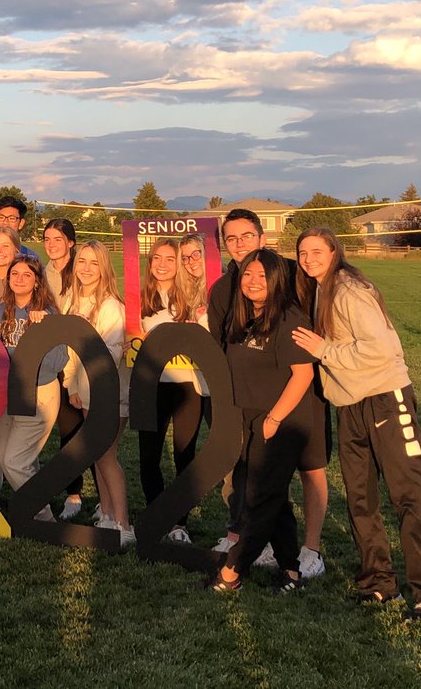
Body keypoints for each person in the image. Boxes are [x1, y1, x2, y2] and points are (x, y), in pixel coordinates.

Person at [292, 227, 421, 623]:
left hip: (385, 398)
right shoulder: (318, 289)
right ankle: (378, 582)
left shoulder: (349, 289)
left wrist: (323, 349)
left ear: (334, 252)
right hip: (350, 404)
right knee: (361, 499)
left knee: (410, 496)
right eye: (302, 252)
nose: (308, 258)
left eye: (316, 251)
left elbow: (380, 347)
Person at [208, 208, 329, 578]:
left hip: (298, 394)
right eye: (231, 238)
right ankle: (255, 542)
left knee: (309, 471)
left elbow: (313, 339)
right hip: (251, 399)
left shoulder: (294, 275)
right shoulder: (225, 288)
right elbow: (219, 347)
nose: (240, 244)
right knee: (251, 477)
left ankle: (310, 550)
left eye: (247, 236)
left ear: (262, 237)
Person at [0, 256, 81, 522]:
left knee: (14, 461)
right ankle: (31, 510)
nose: (19, 279)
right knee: (15, 458)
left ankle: (42, 514)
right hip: (7, 392)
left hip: (39, 392)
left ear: (37, 281)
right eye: (14, 274)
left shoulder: (48, 314)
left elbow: (58, 360)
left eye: (26, 275)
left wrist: (41, 331)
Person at [136, 237, 205, 543]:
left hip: (187, 386)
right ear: (149, 263)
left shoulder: (189, 297)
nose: (162, 265)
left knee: (183, 455)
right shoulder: (139, 299)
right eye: (157, 258)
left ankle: (179, 523)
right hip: (150, 385)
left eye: (170, 259)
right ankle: (157, 515)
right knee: (148, 456)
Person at [64, 240, 132, 544]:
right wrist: (72, 384)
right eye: (82, 262)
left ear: (104, 267)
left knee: (106, 455)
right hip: (87, 390)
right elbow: (70, 351)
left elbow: (110, 355)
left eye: (94, 263)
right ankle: (106, 515)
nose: (86, 269)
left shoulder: (110, 306)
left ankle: (124, 525)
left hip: (110, 390)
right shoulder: (75, 302)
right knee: (97, 454)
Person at [42, 218, 85, 519]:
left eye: (58, 238)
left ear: (71, 242)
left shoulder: (81, 272)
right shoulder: (41, 272)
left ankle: (74, 494)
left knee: (72, 429)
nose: (52, 243)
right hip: (47, 358)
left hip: (74, 360)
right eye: (47, 238)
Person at [0, 196, 40, 261]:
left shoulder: (31, 258)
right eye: (1, 217)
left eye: (12, 218)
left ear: (21, 223)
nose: (5, 222)